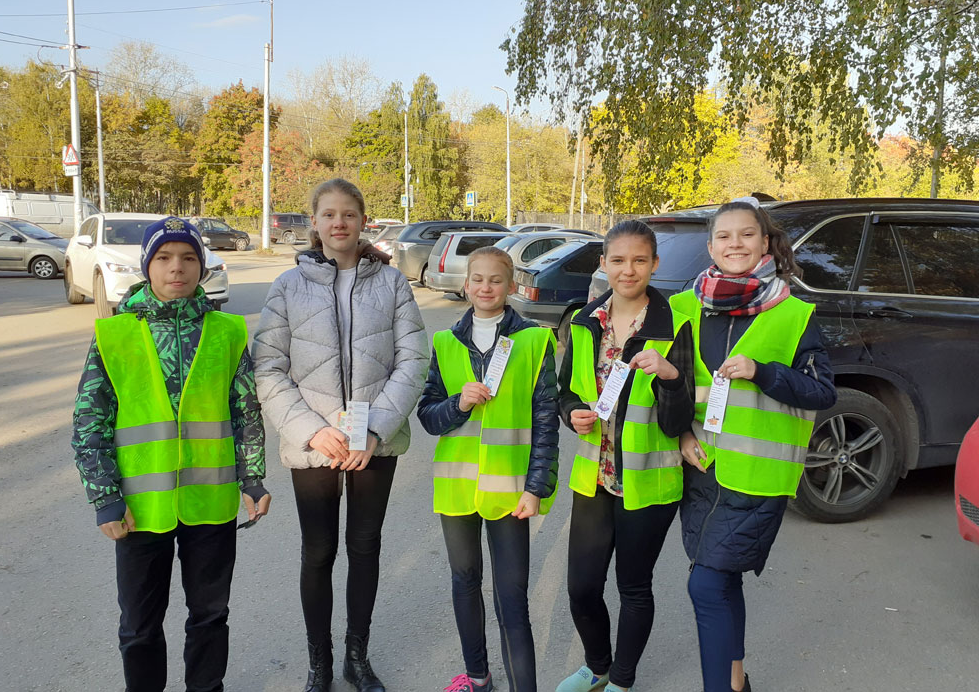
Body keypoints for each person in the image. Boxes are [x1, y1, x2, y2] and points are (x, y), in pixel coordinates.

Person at [72, 216, 270, 692]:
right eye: (163, 258)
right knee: (139, 625)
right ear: (147, 267)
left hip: (211, 504)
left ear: (201, 267)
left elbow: (245, 410)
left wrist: (253, 479)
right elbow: (88, 424)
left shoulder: (227, 331)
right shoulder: (114, 335)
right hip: (141, 511)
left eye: (188, 258)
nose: (176, 268)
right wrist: (105, 499)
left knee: (209, 615)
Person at [253, 178, 428, 692]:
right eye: (328, 214)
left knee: (365, 545)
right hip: (315, 443)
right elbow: (269, 367)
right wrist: (312, 432)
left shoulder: (392, 284)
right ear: (314, 222)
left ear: (362, 220)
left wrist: (374, 429)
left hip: (373, 441)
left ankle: (357, 656)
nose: (338, 223)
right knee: (318, 551)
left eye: (348, 214)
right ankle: (320, 664)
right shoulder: (289, 286)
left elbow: (413, 360)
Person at [670, 197, 837, 692]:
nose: (734, 244)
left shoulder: (793, 313)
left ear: (765, 243)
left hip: (759, 479)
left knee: (704, 584)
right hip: (704, 472)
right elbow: (674, 389)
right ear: (710, 246)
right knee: (722, 580)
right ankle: (738, 683)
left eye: (746, 234)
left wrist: (763, 373)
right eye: (724, 236)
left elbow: (822, 391)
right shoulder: (686, 306)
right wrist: (679, 432)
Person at [556, 220, 696, 692]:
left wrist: (672, 377)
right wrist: (573, 411)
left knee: (633, 587)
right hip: (596, 474)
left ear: (655, 264)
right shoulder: (582, 322)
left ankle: (621, 679)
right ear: (603, 264)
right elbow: (565, 391)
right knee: (581, 588)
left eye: (639, 260)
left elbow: (681, 420)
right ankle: (597, 665)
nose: (628, 270)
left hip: (649, 480)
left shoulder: (675, 324)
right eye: (618, 260)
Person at [417, 246, 560, 692]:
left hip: (511, 490)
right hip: (457, 489)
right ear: (465, 283)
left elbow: (545, 423)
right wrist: (457, 404)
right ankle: (477, 677)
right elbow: (427, 416)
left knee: (511, 597)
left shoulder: (535, 341)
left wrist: (537, 487)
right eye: (477, 279)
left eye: (495, 280)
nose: (485, 287)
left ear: (511, 285)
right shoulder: (444, 342)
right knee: (464, 582)